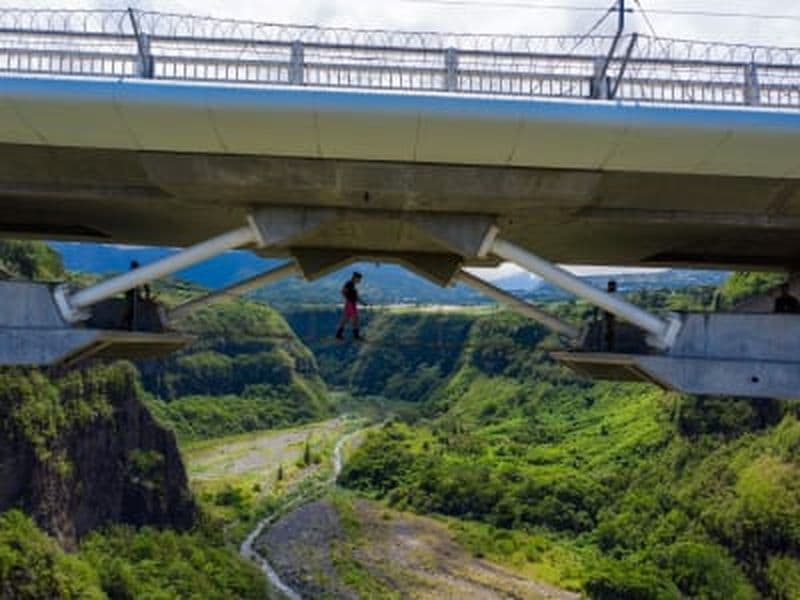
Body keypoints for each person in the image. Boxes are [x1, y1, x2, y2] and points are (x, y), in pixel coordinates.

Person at [336, 271, 368, 341]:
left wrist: (363, 303)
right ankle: (356, 336)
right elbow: (343, 291)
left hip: (350, 303)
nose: (360, 280)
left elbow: (356, 297)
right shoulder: (349, 283)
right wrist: (348, 299)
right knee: (355, 319)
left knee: (346, 319)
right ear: (355, 278)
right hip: (351, 304)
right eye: (359, 279)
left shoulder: (352, 285)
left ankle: (338, 334)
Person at [123, 260, 152, 330]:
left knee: (133, 310)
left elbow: (147, 288)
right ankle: (127, 324)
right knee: (130, 310)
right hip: (131, 296)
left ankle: (128, 324)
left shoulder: (140, 276)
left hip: (135, 296)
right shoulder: (129, 276)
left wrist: (147, 297)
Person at [604, 279, 617, 351]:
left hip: (610, 314)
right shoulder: (611, 294)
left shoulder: (606, 294)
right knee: (610, 330)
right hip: (610, 314)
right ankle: (609, 346)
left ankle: (609, 346)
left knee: (610, 330)